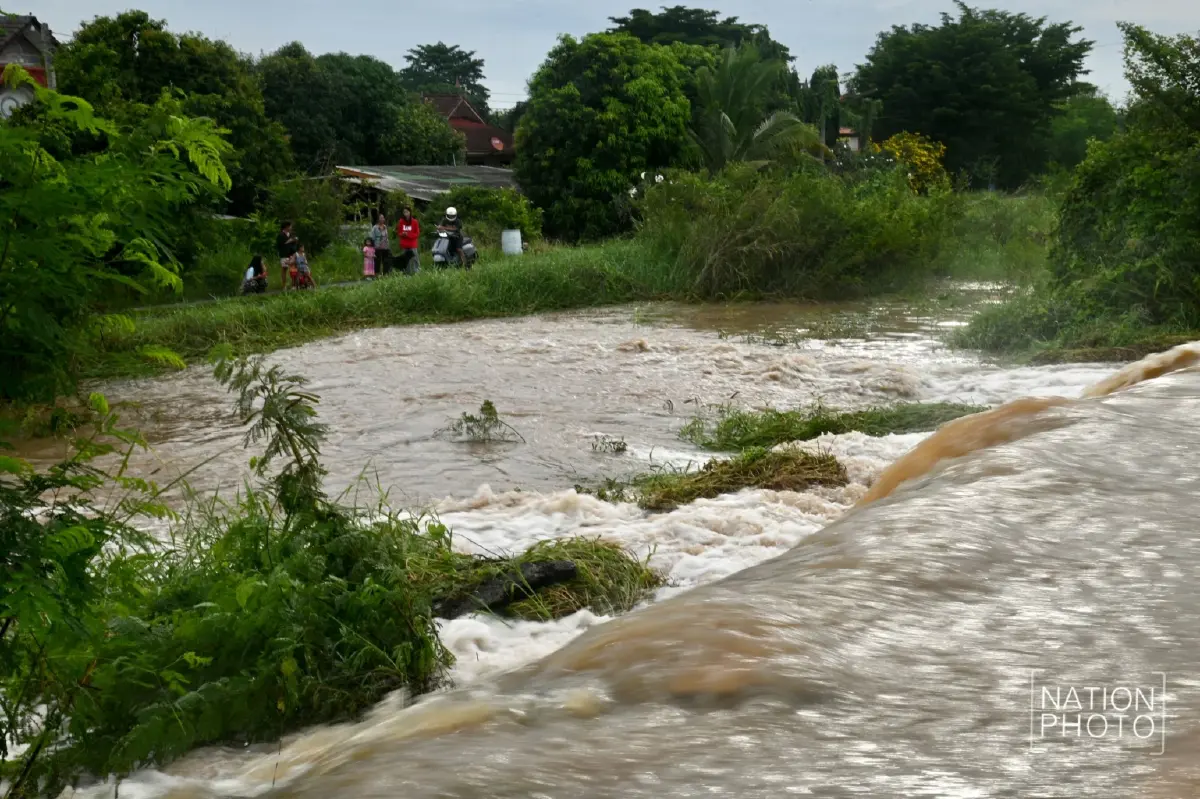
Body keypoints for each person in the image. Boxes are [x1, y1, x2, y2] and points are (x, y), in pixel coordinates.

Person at [395, 207, 421, 274]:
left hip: (412, 243)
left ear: (410, 212)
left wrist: (408, 234)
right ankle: (407, 273)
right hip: (404, 244)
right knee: (406, 259)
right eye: (404, 212)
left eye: (407, 212)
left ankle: (417, 271)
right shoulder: (401, 221)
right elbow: (399, 232)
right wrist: (403, 234)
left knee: (415, 258)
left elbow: (417, 234)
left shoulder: (414, 222)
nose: (406, 214)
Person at [275, 221, 298, 291]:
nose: (291, 228)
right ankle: (284, 286)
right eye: (290, 226)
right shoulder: (280, 235)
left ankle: (293, 285)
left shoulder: (291, 234)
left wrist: (295, 240)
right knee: (284, 269)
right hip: (284, 254)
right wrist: (290, 241)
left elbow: (294, 243)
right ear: (286, 227)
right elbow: (280, 245)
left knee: (293, 269)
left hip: (292, 254)